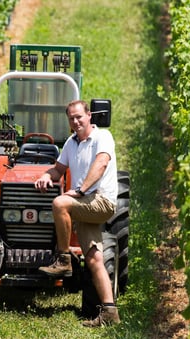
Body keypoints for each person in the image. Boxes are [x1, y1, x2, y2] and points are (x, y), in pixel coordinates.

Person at [34, 99, 120, 327]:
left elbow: (101, 164)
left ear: (89, 115)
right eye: (71, 118)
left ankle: (63, 258)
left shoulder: (103, 137)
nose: (75, 121)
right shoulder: (71, 144)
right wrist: (46, 175)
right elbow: (59, 169)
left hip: (100, 201)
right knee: (94, 258)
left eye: (79, 116)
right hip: (86, 204)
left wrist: (80, 190)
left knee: (60, 203)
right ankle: (110, 312)